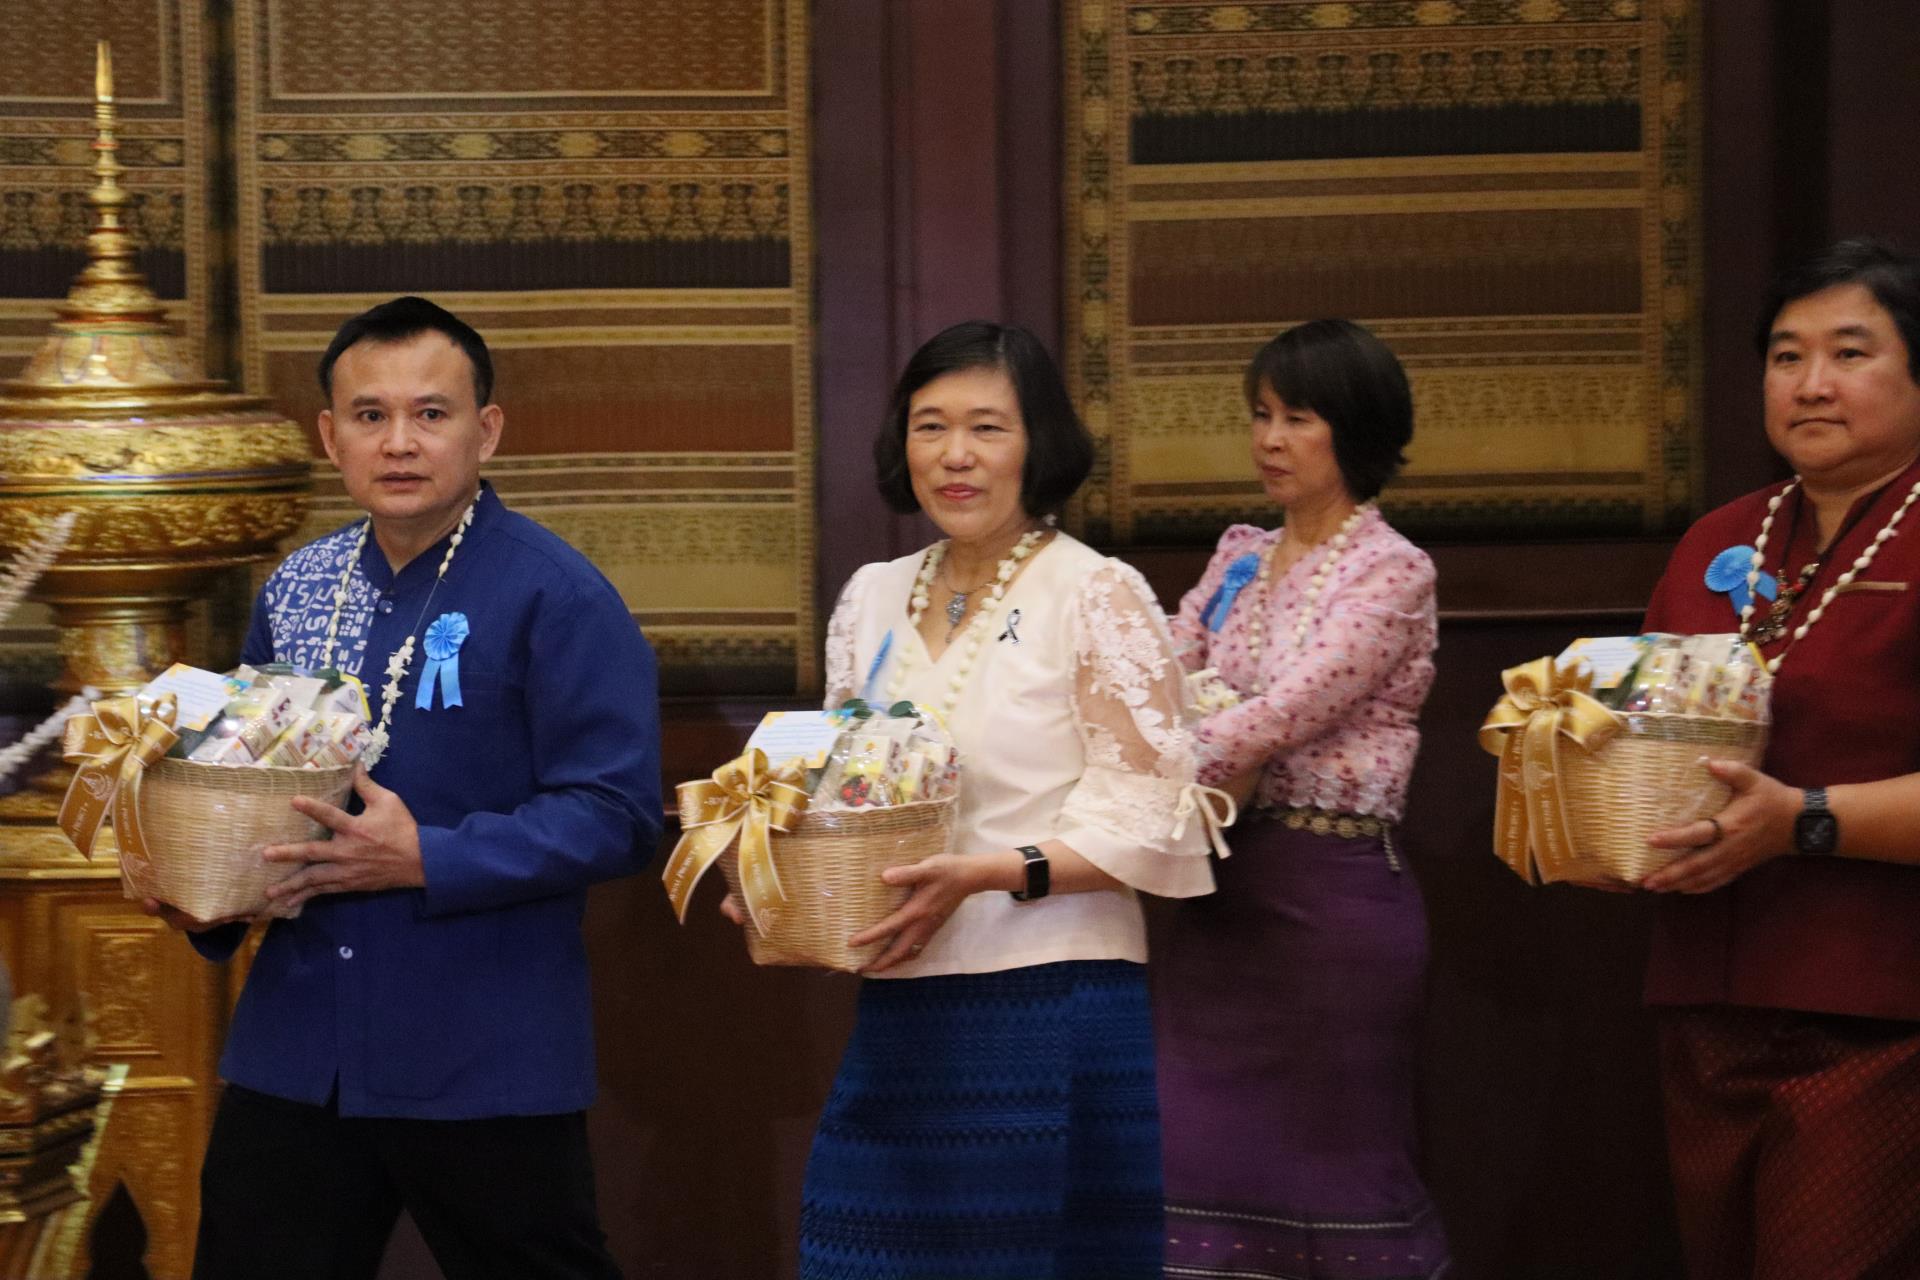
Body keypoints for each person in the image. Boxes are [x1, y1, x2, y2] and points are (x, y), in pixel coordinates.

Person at [150, 296, 663, 1280]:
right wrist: (199, 887)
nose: (399, 441)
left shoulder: (557, 593)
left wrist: (427, 855)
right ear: (329, 436)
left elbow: (618, 815)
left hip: (480, 1044)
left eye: (431, 413)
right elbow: (244, 782)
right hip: (301, 1042)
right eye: (370, 414)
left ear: (486, 429)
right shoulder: (296, 588)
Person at [732, 321, 1220, 1280]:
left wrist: (991, 873)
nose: (955, 455)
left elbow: (1152, 816)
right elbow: (840, 781)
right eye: (931, 426)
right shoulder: (870, 596)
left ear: (1037, 444)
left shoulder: (1096, 591)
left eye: (987, 428)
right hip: (903, 999)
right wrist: (772, 876)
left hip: (1049, 997)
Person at [1637, 238, 1920, 1278]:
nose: (1810, 384)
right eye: (1786, 355)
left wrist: (1800, 818)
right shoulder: (1718, 539)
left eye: (1849, 352)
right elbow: (1642, 735)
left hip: (1880, 1014)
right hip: (1707, 997)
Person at [1157, 319, 1449, 1278]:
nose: (1269, 440)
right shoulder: (1240, 552)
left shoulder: (1392, 569)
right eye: (1260, 415)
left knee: (1337, 1178)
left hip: (1333, 903)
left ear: (1355, 428)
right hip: (1217, 894)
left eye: (1297, 418)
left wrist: (1155, 760)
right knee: (1190, 1158)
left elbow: (1290, 709)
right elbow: (1164, 666)